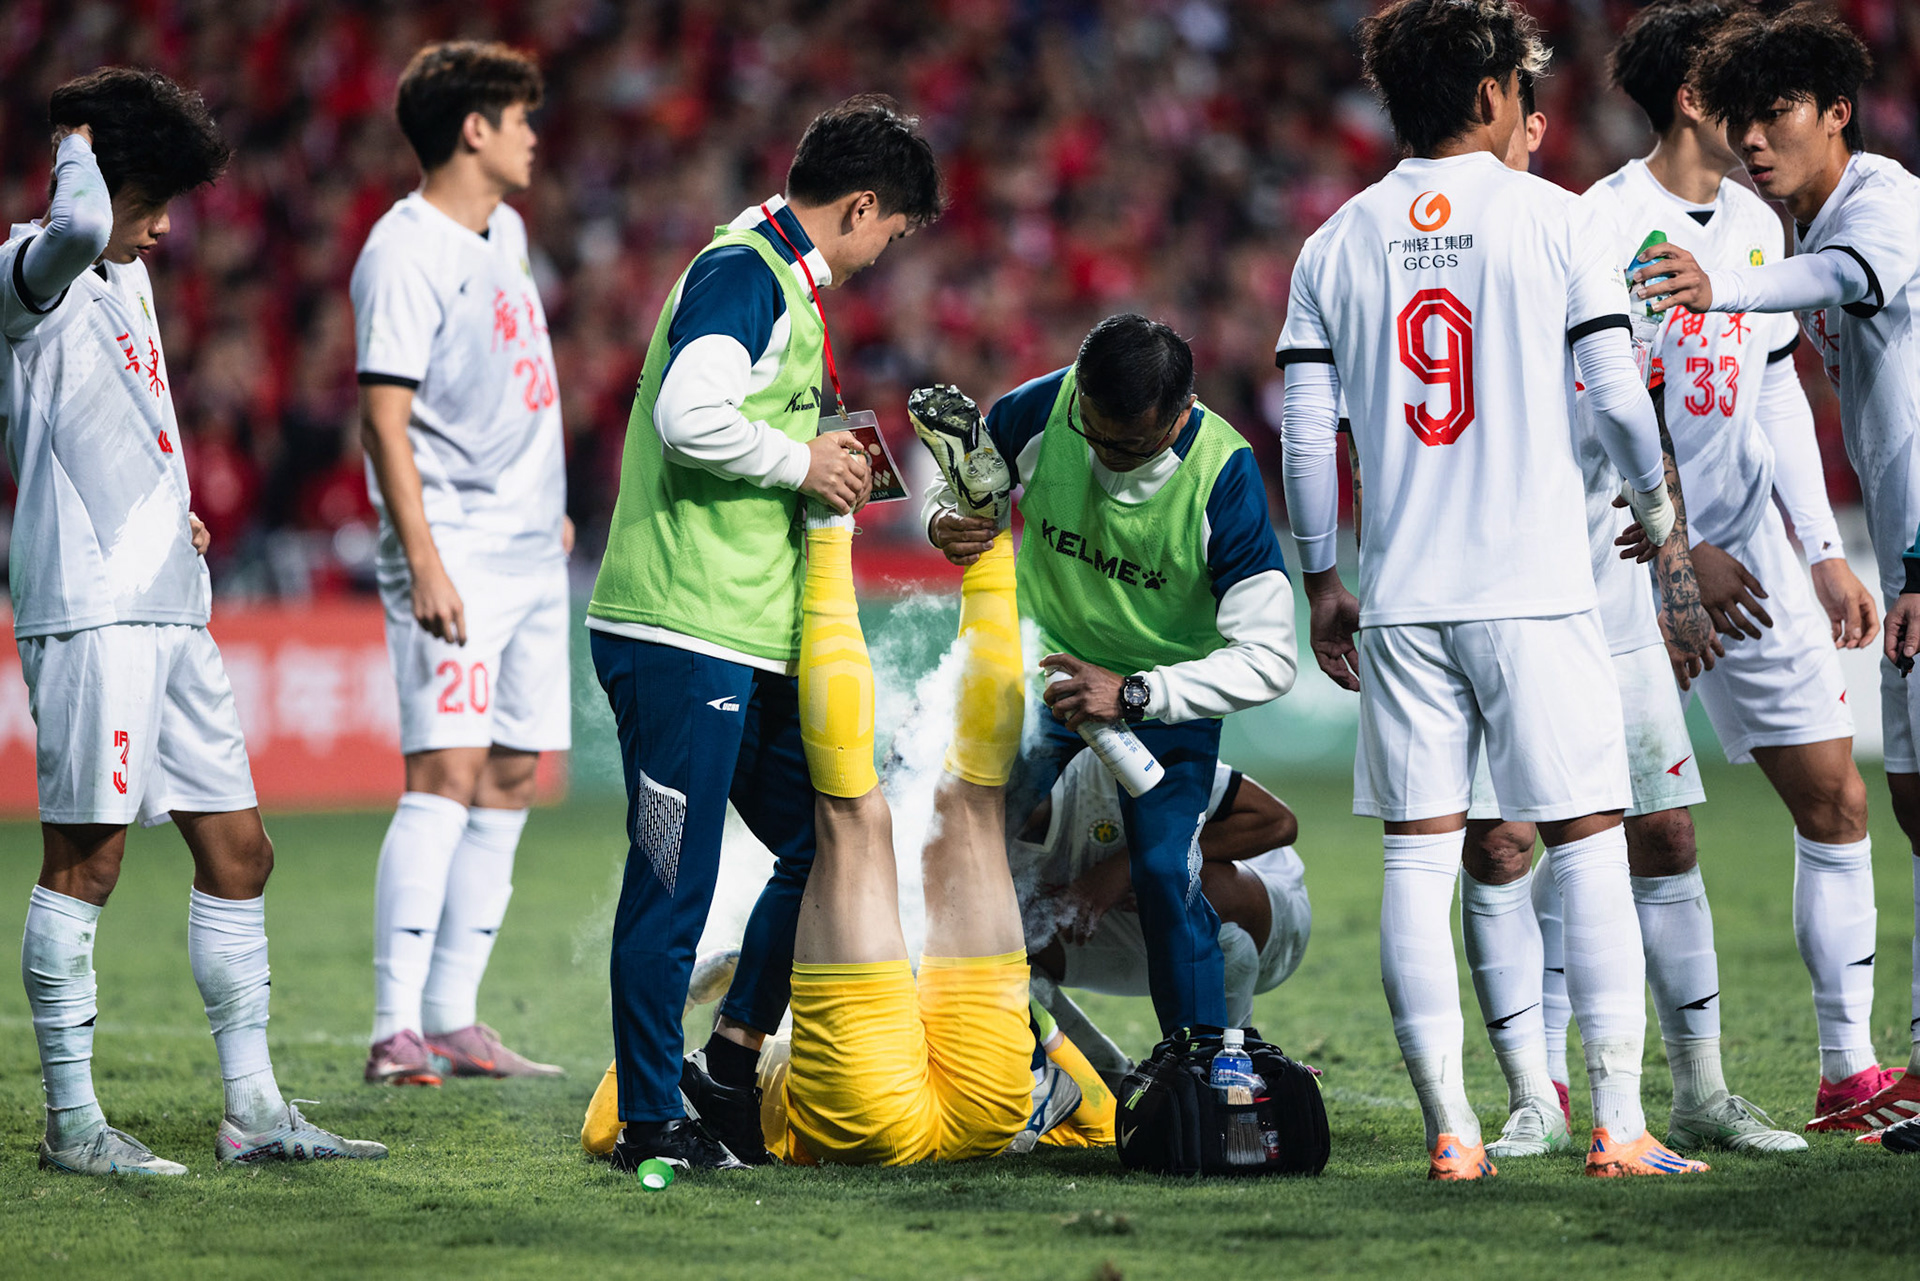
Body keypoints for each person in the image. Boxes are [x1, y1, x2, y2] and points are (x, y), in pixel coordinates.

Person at [1278, 0, 1710, 1180]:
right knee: (1585, 843)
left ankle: (1452, 1135)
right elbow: (1620, 402)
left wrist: (1325, 577)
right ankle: (1618, 1125)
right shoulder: (1560, 222)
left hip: (1404, 595)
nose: (1531, 107)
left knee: (1419, 860)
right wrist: (1662, 525)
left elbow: (1308, 436)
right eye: (1524, 88)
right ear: (1487, 99)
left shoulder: (1335, 243)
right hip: (1534, 590)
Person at [6, 68, 383, 1175]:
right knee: (87, 862)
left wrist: (174, 521)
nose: (166, 225)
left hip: (173, 604)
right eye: (152, 198)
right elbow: (79, 214)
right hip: (90, 611)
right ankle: (73, 1124)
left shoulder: (126, 274)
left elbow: (121, 422)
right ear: (98, 179)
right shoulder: (35, 269)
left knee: (242, 851)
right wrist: (77, 130)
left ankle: (256, 1111)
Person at [1460, 39, 1802, 1162]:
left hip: (1606, 569)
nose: (1530, 133)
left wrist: (1668, 562)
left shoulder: (1603, 229)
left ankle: (1700, 1089)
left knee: (1655, 829)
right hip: (1502, 575)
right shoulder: (1535, 233)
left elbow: (1634, 402)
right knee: (1509, 843)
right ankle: (1534, 1095)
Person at [587, 95, 940, 1170]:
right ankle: (653, 1118)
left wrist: (827, 458)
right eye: (895, 230)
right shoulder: (744, 271)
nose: (890, 252)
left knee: (828, 835)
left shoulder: (782, 281)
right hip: (680, 630)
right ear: (864, 204)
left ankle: (728, 1063)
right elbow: (684, 415)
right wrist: (802, 463)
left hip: (742, 635)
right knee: (671, 879)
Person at [1640, 1, 1920, 1135]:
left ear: (1838, 113)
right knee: (1910, 802)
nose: (1758, 138)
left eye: (1782, 114)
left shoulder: (1881, 206)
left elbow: (1847, 285)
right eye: (1745, 116)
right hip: (1903, 562)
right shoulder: (1789, 227)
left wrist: (1726, 289)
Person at [921, 316, 1297, 1044]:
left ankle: (1196, 1067)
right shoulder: (1042, 406)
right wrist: (946, 521)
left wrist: (1133, 691)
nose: (1101, 453)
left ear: (1180, 417)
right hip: (1043, 676)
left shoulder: (1225, 475)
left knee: (1162, 871)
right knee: (960, 832)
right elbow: (972, 496)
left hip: (1161, 698)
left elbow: (1273, 655)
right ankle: (974, 1046)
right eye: (1089, 429)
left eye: (1126, 444)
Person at [351, 42, 569, 1087]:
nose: (534, 134)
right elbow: (383, 422)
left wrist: (550, 511)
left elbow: (507, 387)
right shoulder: (401, 253)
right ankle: (395, 1029)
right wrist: (427, 560)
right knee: (442, 769)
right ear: (473, 129)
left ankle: (452, 1015)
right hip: (458, 555)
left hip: (531, 549)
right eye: (519, 117)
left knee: (514, 771)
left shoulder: (507, 229)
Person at [1021, 755, 1310, 1068]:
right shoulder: (975, 822)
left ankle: (1228, 1068)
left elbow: (1277, 821)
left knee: (1193, 882)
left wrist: (1128, 866)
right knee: (990, 947)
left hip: (1267, 917)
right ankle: (1108, 1074)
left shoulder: (1105, 762)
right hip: (1135, 935)